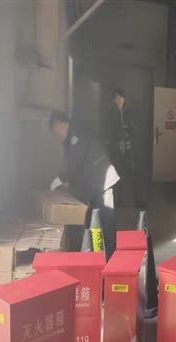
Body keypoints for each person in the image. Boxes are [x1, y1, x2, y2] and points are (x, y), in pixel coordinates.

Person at [49, 110, 120, 258]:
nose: (57, 137)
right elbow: (77, 166)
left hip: (102, 182)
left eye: (56, 132)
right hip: (94, 184)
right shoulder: (71, 137)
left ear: (59, 125)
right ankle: (97, 254)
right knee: (92, 220)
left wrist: (60, 179)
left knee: (106, 220)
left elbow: (74, 161)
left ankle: (111, 257)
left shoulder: (77, 133)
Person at [101, 88, 138, 207]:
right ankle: (116, 201)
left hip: (128, 149)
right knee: (115, 174)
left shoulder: (129, 112)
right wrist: (112, 142)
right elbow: (106, 131)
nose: (119, 100)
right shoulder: (109, 113)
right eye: (116, 98)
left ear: (124, 99)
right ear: (113, 99)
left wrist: (130, 140)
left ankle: (128, 200)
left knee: (128, 175)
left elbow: (134, 130)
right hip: (115, 150)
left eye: (121, 97)